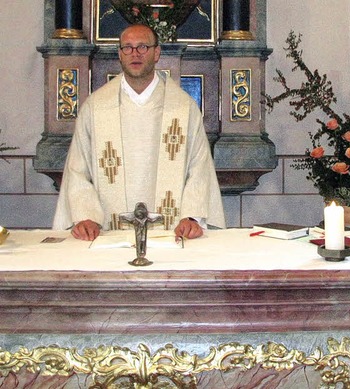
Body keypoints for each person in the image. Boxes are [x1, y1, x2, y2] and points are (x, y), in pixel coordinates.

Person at [53, 24, 225, 240]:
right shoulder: (96, 107)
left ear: (156, 53)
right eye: (127, 47)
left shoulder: (183, 107)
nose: (135, 54)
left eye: (143, 47)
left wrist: (191, 217)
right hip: (107, 234)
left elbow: (199, 167)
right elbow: (78, 169)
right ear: (119, 54)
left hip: (172, 234)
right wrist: (87, 216)